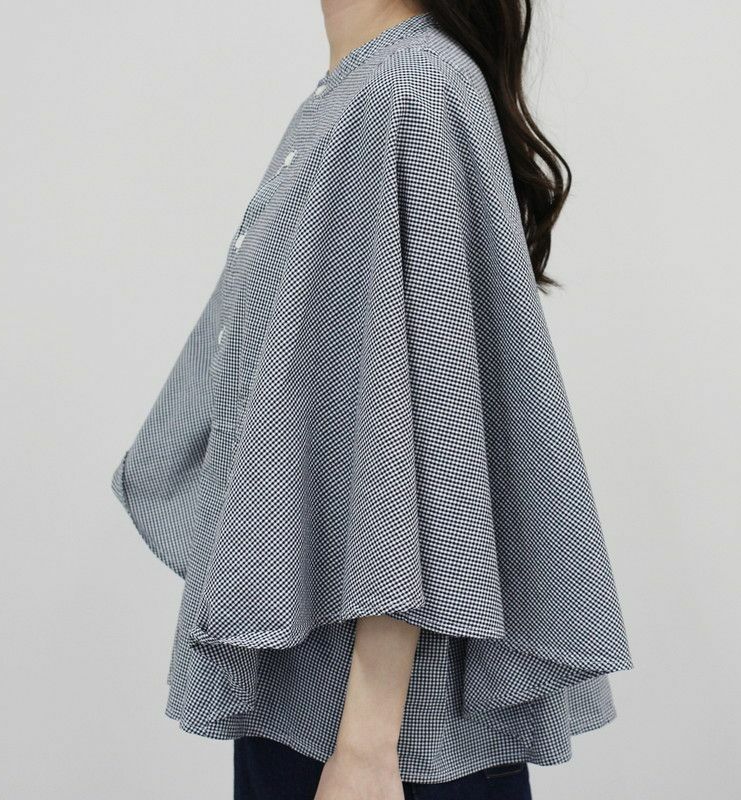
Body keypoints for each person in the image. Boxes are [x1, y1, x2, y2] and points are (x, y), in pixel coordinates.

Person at [111, 2, 633, 798]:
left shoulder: (411, 88)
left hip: (378, 739)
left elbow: (426, 430)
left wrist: (366, 742)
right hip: (310, 701)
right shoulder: (360, 88)